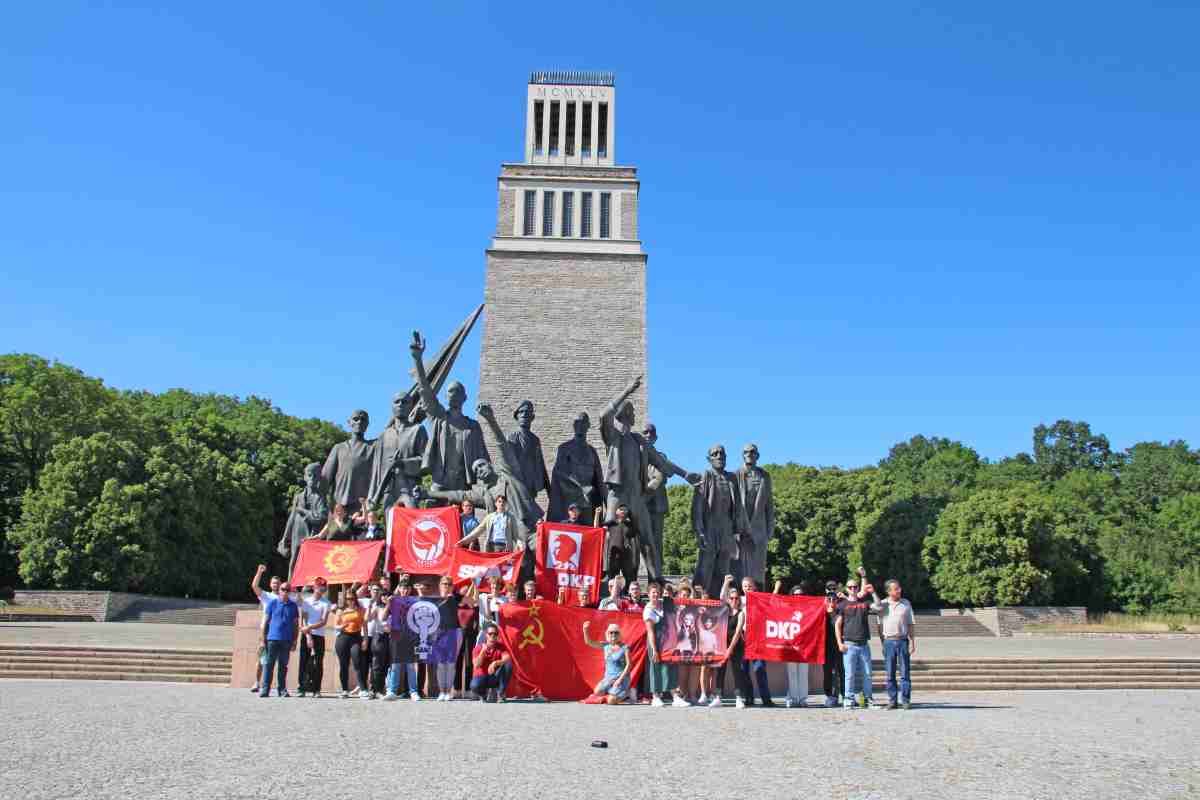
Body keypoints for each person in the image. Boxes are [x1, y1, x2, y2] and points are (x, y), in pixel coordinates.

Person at [835, 568, 881, 710]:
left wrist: (873, 592)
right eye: (850, 587)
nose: (853, 589)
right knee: (849, 674)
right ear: (847, 589)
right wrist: (839, 643)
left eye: (855, 586)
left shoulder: (864, 603)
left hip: (863, 644)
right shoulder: (842, 604)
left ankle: (868, 699)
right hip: (849, 644)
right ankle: (848, 699)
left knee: (867, 674)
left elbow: (878, 607)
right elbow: (837, 624)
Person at [642, 580, 685, 708]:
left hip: (668, 642)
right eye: (653, 592)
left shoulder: (664, 604)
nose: (656, 595)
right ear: (648, 594)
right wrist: (654, 650)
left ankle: (675, 697)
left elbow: (678, 608)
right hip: (655, 643)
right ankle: (656, 697)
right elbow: (650, 632)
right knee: (655, 669)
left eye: (657, 592)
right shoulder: (648, 610)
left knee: (670, 669)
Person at [878, 578, 916, 710]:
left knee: (905, 672)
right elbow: (879, 625)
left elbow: (911, 624)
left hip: (903, 640)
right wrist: (882, 643)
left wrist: (912, 642)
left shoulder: (906, 603)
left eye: (899, 588)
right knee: (890, 673)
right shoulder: (882, 604)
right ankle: (892, 700)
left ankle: (905, 700)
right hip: (888, 641)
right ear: (889, 591)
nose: (899, 590)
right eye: (896, 588)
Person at [249, 565, 286, 693]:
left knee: (278, 659)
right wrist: (259, 572)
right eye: (274, 583)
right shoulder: (266, 596)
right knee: (262, 657)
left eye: (277, 583)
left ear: (280, 584)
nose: (275, 585)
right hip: (266, 629)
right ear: (270, 585)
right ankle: (256, 682)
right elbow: (254, 587)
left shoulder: (285, 597)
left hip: (278, 631)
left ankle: (275, 684)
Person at [259, 581, 300, 698]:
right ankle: (265, 689)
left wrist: (295, 640)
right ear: (280, 590)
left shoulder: (293, 606)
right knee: (269, 665)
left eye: (287, 590)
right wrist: (263, 639)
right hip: (272, 639)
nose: (285, 592)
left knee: (283, 666)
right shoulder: (272, 603)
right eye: (283, 589)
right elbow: (266, 622)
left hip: (286, 640)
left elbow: (296, 625)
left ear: (290, 592)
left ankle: (282, 689)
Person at [717, 585, 755, 708]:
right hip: (722, 645)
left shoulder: (741, 614)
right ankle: (718, 697)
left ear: (739, 600)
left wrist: (730, 649)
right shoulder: (724, 611)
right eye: (732, 598)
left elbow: (738, 632)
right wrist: (725, 583)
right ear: (728, 599)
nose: (734, 600)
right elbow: (721, 597)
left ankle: (739, 698)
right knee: (720, 671)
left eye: (736, 598)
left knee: (737, 671)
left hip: (736, 645)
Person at [776, 579, 809, 708]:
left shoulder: (809, 608)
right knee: (792, 673)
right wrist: (777, 589)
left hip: (805, 645)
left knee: (803, 672)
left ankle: (803, 699)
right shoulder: (787, 608)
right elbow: (773, 605)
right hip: (790, 645)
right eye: (795, 595)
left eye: (800, 594)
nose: (798, 597)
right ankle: (793, 698)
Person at [296, 581, 331, 697]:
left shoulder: (326, 603)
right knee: (303, 661)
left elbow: (323, 621)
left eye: (323, 586)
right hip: (307, 635)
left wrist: (309, 627)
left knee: (318, 663)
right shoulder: (306, 601)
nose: (321, 588)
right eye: (319, 586)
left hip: (319, 635)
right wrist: (308, 636)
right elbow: (303, 619)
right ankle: (301, 688)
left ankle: (317, 689)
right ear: (314, 587)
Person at [582, 621, 631, 704]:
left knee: (611, 701)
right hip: (608, 679)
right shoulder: (605, 646)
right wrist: (585, 630)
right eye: (611, 632)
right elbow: (589, 642)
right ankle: (611, 694)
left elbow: (629, 665)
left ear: (619, 634)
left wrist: (619, 680)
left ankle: (626, 693)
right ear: (608, 634)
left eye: (616, 632)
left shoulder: (625, 647)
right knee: (597, 692)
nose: (613, 634)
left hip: (620, 679)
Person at [333, 590, 369, 698]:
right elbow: (336, 625)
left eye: (352, 598)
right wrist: (341, 626)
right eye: (348, 599)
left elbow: (365, 625)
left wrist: (365, 639)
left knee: (357, 662)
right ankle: (344, 690)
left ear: (355, 599)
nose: (350, 601)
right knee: (344, 664)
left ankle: (362, 689)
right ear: (345, 600)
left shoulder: (360, 610)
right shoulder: (341, 610)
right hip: (343, 637)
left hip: (356, 637)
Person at [470, 623, 513, 702]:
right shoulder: (478, 648)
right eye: (490, 634)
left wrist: (496, 663)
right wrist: (483, 651)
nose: (493, 636)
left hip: (494, 677)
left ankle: (500, 693)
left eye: (495, 634)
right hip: (481, 678)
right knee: (474, 686)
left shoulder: (501, 646)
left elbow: (508, 658)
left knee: (508, 665)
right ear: (486, 635)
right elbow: (476, 665)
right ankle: (484, 695)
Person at [362, 582, 390, 699]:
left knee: (385, 665)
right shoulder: (378, 607)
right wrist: (369, 606)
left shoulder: (393, 608)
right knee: (377, 665)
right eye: (382, 595)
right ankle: (374, 690)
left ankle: (380, 689)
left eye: (386, 595)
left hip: (390, 639)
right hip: (379, 637)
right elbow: (368, 619)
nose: (384, 597)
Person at [822, 580, 846, 707]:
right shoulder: (820, 610)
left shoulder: (842, 607)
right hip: (825, 647)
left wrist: (845, 598)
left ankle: (845, 694)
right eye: (829, 588)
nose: (832, 601)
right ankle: (830, 696)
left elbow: (853, 605)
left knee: (842, 671)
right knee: (828, 672)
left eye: (834, 588)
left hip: (840, 646)